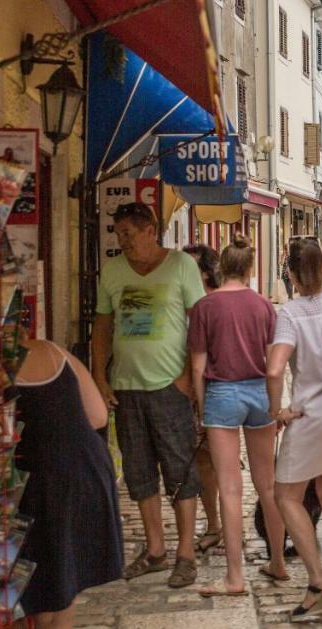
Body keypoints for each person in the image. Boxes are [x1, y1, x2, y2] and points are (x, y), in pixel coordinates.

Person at [91, 202, 204, 589]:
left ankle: (185, 553)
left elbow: (199, 324)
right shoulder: (113, 271)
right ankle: (156, 551)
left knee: (180, 472)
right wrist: (100, 378)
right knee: (139, 474)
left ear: (150, 230)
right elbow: (102, 326)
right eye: (118, 233)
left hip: (168, 387)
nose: (122, 241)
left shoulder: (181, 267)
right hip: (126, 388)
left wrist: (188, 377)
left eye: (128, 233)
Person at [188, 240, 286, 596]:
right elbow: (275, 361)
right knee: (269, 485)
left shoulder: (205, 306)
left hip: (222, 394)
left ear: (220, 269)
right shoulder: (263, 306)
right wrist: (275, 405)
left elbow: (198, 366)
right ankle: (277, 561)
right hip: (260, 392)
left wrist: (202, 408)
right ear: (249, 269)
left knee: (230, 488)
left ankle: (234, 576)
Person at [265, 238, 322, 618]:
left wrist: (276, 410)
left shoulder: (290, 313)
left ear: (292, 272)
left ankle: (317, 576)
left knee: (286, 496)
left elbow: (273, 367)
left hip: (306, 416)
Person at [15, 338, 122, 628]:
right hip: (86, 472)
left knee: (42, 594)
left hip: (44, 482)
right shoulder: (53, 352)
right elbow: (99, 416)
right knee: (63, 589)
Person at [182, 244, 223, 557]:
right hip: (187, 394)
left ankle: (220, 526)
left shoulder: (214, 305)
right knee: (201, 463)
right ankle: (214, 524)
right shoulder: (182, 304)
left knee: (213, 462)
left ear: (206, 273)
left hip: (213, 393)